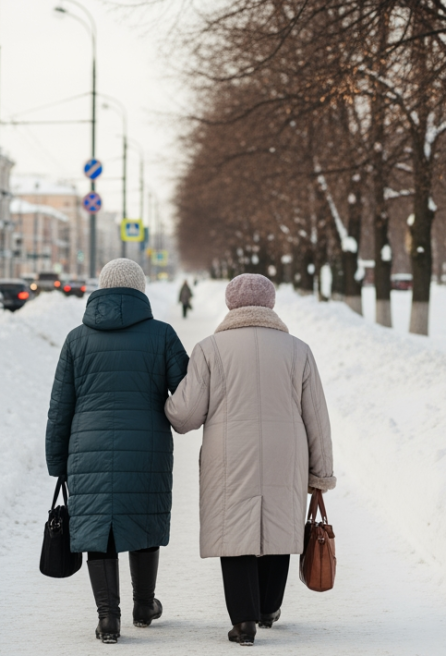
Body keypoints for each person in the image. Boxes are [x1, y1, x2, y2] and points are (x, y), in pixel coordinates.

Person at [164, 273, 335, 646]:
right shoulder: (298, 350)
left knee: (234, 529)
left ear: (230, 303)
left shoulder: (210, 349)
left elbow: (185, 416)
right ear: (270, 303)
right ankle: (269, 608)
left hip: (230, 452)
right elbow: (317, 417)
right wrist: (321, 473)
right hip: (285, 452)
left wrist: (166, 401)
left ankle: (244, 621)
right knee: (278, 522)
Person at [46, 258, 190, 644]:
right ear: (140, 289)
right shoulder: (162, 335)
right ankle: (144, 606)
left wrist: (57, 460)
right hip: (147, 446)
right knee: (143, 520)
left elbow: (60, 407)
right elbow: (188, 392)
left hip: (88, 449)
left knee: (99, 528)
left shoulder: (77, 339)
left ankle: (108, 618)